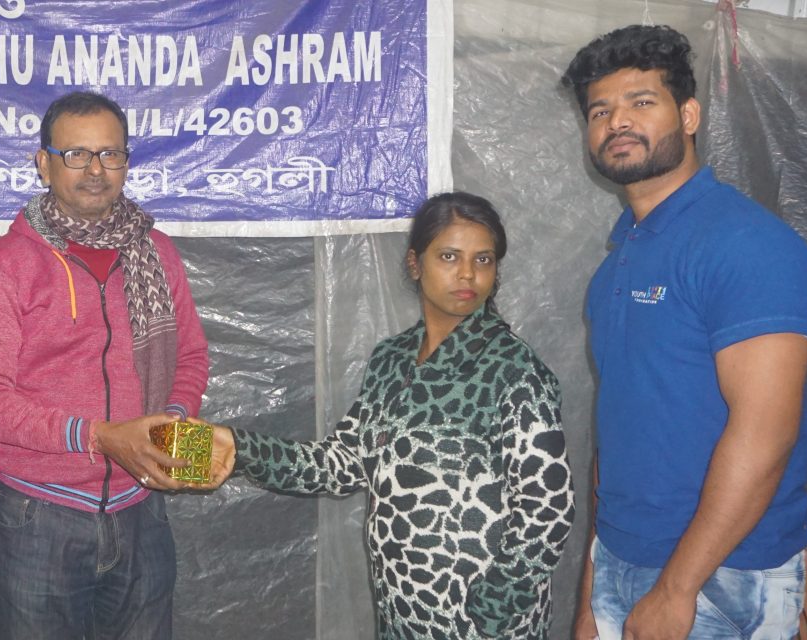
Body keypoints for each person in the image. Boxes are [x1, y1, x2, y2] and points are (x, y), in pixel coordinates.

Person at [207, 192, 574, 639]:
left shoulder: (513, 372)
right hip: (403, 612)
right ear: (415, 263)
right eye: (449, 256)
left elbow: (547, 508)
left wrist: (493, 609)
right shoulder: (393, 359)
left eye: (483, 259)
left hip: (478, 624)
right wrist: (242, 449)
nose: (467, 274)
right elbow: (341, 465)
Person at [562, 25, 807, 640]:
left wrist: (677, 588)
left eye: (640, 102)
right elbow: (619, 435)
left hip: (723, 576)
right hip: (623, 565)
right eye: (601, 110)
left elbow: (766, 434)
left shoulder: (746, 244)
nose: (617, 121)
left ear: (689, 114)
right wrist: (593, 590)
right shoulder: (616, 262)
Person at [0, 91, 210, 639]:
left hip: (141, 509)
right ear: (43, 163)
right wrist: (99, 436)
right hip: (40, 519)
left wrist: (165, 428)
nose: (95, 170)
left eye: (110, 154)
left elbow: (189, 356)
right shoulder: (7, 266)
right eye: (76, 155)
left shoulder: (157, 253)